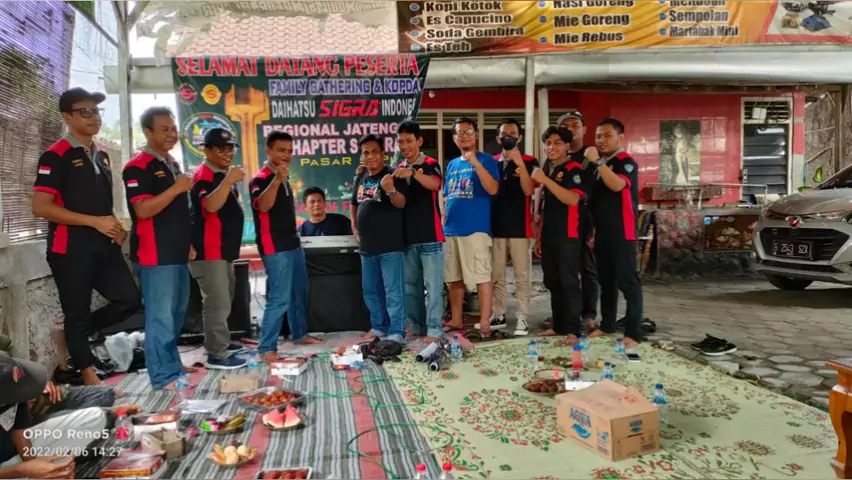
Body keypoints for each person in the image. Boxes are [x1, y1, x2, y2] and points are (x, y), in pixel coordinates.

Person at [31, 87, 141, 387]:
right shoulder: (55, 156)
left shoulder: (101, 155)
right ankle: (88, 373)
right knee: (76, 313)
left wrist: (115, 227)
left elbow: (101, 203)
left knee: (129, 299)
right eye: (85, 112)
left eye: (96, 111)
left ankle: (74, 337)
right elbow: (41, 207)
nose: (94, 117)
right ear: (66, 117)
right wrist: (94, 222)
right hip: (69, 248)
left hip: (104, 245)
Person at [123, 106, 197, 390]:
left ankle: (172, 364)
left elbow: (178, 211)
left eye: (173, 129)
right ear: (147, 132)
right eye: (164, 129)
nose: (172, 134)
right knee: (160, 317)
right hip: (154, 254)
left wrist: (188, 242)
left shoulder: (171, 165)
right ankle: (162, 376)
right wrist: (177, 188)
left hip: (177, 251)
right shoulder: (137, 166)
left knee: (177, 314)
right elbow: (143, 210)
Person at [0, 354, 141, 477]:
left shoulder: (13, 387)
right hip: (7, 470)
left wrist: (33, 464)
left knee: (95, 417)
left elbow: (20, 431)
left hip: (14, 456)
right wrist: (20, 470)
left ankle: (51, 467)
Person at [251, 131, 324, 362]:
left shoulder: (283, 177)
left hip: (292, 243)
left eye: (290, 151)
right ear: (268, 150)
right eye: (281, 150)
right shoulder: (261, 178)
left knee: (298, 292)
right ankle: (266, 348)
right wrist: (276, 180)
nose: (287, 155)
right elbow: (263, 206)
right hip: (274, 247)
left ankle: (300, 334)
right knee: (279, 297)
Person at [189, 128, 248, 369]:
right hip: (209, 250)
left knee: (226, 299)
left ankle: (220, 342)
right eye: (220, 149)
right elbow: (210, 206)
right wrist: (229, 180)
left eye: (230, 148)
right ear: (206, 150)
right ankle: (217, 354)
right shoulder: (204, 175)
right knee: (217, 302)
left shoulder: (221, 175)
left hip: (223, 251)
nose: (228, 153)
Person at [585, 118, 645, 348]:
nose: (601, 140)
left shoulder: (625, 162)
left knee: (628, 282)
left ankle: (634, 332)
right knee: (606, 281)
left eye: (607, 135)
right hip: (603, 232)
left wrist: (598, 162)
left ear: (621, 137)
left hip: (622, 231)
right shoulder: (599, 165)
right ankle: (608, 325)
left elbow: (617, 185)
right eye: (598, 136)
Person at [441, 117, 501, 341]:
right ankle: (456, 319)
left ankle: (485, 322)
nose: (464, 136)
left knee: (481, 277)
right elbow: (447, 195)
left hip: (475, 230)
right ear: (454, 137)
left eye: (468, 132)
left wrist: (475, 163)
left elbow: (493, 189)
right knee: (454, 278)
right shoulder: (452, 165)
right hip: (451, 229)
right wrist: (444, 222)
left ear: (476, 135)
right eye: (460, 133)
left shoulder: (487, 160)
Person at [350, 134, 409, 345]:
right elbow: (354, 203)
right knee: (371, 291)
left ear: (383, 154)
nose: (371, 156)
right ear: (362, 156)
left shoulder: (393, 174)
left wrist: (390, 189)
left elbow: (401, 203)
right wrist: (354, 226)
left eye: (375, 151)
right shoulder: (361, 176)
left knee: (393, 292)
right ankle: (379, 327)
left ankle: (397, 330)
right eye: (366, 152)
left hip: (390, 246)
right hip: (367, 247)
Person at [391, 120, 445, 343]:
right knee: (411, 288)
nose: (405, 146)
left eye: (409, 141)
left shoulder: (430, 163)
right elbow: (399, 202)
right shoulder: (398, 169)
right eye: (401, 142)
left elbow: (435, 185)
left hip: (430, 236)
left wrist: (413, 172)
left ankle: (434, 330)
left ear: (419, 141)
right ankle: (416, 327)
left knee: (434, 287)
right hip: (407, 238)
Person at [532, 127, 586, 345]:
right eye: (548, 143)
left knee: (568, 282)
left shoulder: (574, 169)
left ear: (567, 146)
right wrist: (539, 237)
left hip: (568, 235)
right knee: (553, 282)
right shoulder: (550, 169)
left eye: (557, 143)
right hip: (550, 234)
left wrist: (545, 180)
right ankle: (558, 326)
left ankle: (573, 330)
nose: (551, 147)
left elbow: (572, 199)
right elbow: (546, 207)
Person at [489, 118, 535, 336]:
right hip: (496, 226)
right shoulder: (492, 162)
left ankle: (522, 317)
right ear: (498, 138)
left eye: (512, 133)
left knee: (521, 275)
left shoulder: (530, 161)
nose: (508, 137)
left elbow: (529, 190)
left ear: (520, 137)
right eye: (504, 134)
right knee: (497, 274)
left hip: (520, 227)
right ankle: (498, 312)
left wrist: (520, 164)